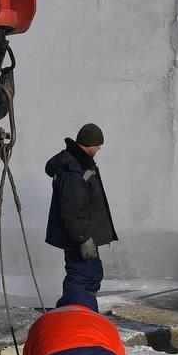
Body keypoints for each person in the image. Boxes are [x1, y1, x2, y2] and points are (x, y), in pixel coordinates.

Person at [44, 123, 118, 297]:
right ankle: (74, 315)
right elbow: (73, 209)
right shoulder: (73, 169)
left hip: (86, 235)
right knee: (81, 277)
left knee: (92, 276)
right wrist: (83, 239)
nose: (100, 148)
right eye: (97, 144)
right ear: (87, 143)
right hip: (79, 238)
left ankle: (86, 314)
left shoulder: (83, 163)